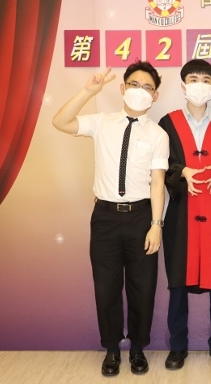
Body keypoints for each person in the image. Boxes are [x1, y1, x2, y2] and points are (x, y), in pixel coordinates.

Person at [52, 61, 169, 376]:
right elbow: (60, 121)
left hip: (141, 216)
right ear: (122, 88)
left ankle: (138, 347)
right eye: (134, 84)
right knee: (106, 288)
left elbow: (158, 183)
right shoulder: (101, 122)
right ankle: (112, 348)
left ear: (155, 96)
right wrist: (88, 91)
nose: (140, 91)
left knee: (143, 288)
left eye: (147, 87)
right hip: (105, 218)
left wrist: (156, 225)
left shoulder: (158, 134)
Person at [158, 59, 211, 370]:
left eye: (206, 80)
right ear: (183, 85)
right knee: (178, 281)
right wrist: (182, 172)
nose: (200, 85)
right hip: (181, 214)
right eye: (194, 79)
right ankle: (177, 347)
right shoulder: (168, 123)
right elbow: (161, 164)